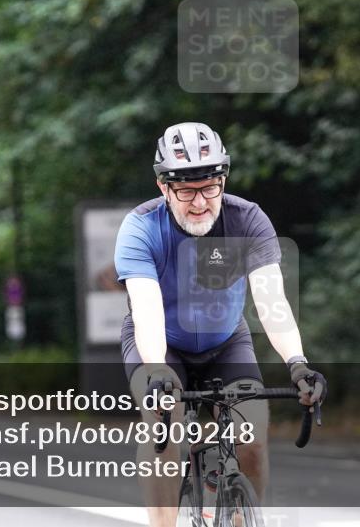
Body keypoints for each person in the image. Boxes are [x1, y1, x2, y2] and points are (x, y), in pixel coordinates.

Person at [115, 122, 326, 527]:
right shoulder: (140, 227)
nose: (199, 203)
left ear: (223, 181)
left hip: (227, 341)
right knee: (163, 430)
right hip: (163, 343)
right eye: (186, 191)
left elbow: (271, 300)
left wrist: (297, 364)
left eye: (209, 187)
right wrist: (157, 369)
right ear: (164, 188)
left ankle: (245, 518)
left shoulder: (247, 220)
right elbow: (145, 308)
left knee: (254, 435)